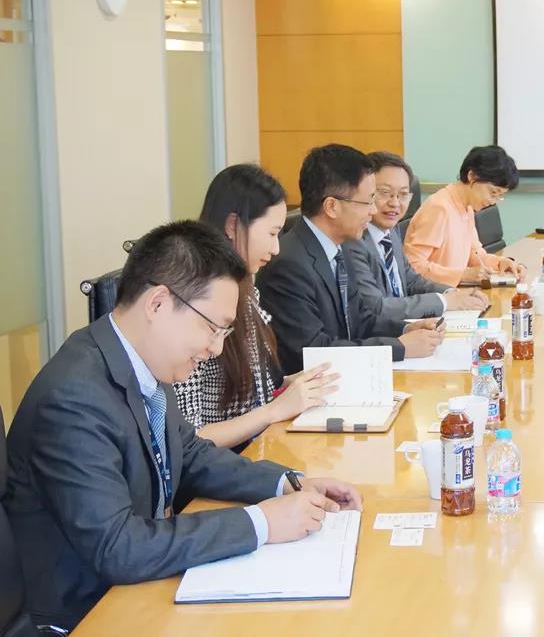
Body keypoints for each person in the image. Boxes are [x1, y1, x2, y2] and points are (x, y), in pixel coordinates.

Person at [2, 221, 362, 632]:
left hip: (136, 588)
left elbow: (189, 453)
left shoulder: (139, 361)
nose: (216, 348)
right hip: (85, 614)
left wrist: (289, 483)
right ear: (158, 304)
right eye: (212, 328)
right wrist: (261, 523)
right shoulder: (74, 398)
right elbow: (119, 547)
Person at [174, 164, 340, 449]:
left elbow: (246, 394)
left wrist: (286, 386)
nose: (276, 248)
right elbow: (189, 439)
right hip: (224, 464)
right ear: (232, 225)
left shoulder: (245, 287)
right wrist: (273, 411)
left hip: (258, 449)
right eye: (272, 233)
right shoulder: (192, 301)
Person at [258, 144, 445, 374]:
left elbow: (361, 319)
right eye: (368, 202)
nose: (372, 211)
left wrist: (406, 329)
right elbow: (314, 349)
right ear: (332, 206)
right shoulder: (289, 265)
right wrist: (399, 348)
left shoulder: (340, 247)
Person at [345, 151, 489, 334]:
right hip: (384, 337)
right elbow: (376, 307)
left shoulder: (390, 230)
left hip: (410, 327)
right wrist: (445, 302)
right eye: (385, 193)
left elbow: (411, 280)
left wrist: (451, 293)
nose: (395, 203)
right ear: (367, 193)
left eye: (403, 194)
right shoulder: (353, 241)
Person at [404, 145, 527, 287]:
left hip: (454, 292)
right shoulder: (439, 208)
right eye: (493, 192)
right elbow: (412, 266)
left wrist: (500, 263)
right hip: (434, 294)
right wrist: (462, 275)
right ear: (472, 176)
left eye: (500, 196)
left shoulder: (467, 207)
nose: (493, 201)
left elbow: (474, 254)